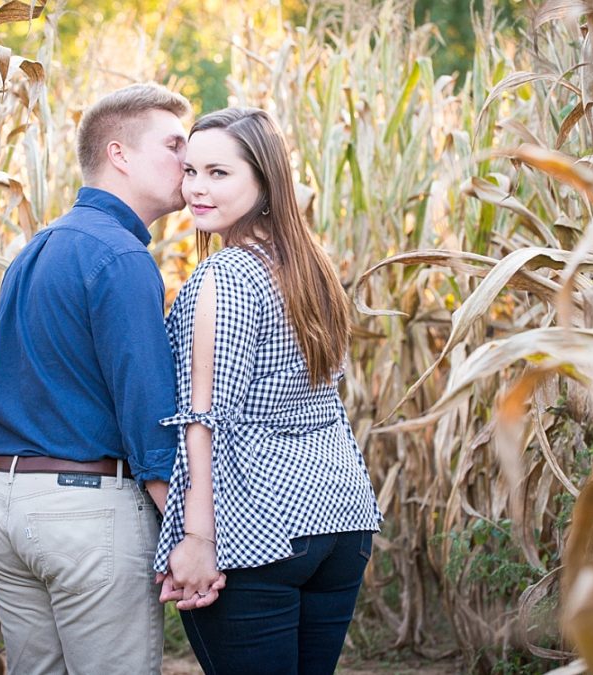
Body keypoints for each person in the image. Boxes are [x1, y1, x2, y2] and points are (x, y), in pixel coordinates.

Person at [0, 83, 222, 674]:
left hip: (4, 508)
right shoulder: (121, 257)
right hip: (83, 515)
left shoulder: (34, 250)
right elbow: (148, 417)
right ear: (120, 155)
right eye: (172, 146)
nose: (185, 164)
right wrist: (195, 538)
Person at [154, 108, 384, 675]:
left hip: (263, 527)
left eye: (219, 173)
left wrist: (196, 536)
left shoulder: (224, 275)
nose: (197, 189)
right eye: (190, 172)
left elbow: (204, 419)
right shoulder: (312, 269)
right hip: (342, 517)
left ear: (264, 183)